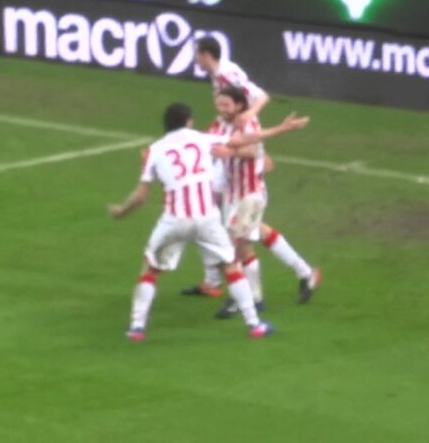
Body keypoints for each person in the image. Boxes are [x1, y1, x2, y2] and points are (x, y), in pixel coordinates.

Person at [108, 103, 311, 341]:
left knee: (151, 271)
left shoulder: (153, 150)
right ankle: (254, 324)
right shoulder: (203, 139)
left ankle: (137, 327)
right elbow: (243, 140)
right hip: (207, 218)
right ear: (189, 122)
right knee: (231, 267)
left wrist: (122, 211)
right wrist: (282, 128)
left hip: (175, 219)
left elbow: (141, 196)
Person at [184, 37, 322, 306]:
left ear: (204, 54)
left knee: (223, 222)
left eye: (196, 54)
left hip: (241, 155)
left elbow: (259, 98)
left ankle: (241, 292)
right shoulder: (218, 80)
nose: (194, 59)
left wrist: (253, 134)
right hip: (235, 150)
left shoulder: (228, 73)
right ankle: (302, 272)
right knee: (241, 225)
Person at [207, 88, 323, 318]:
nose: (221, 109)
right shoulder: (218, 125)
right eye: (219, 104)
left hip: (251, 194)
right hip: (232, 194)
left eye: (226, 105)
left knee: (234, 247)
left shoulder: (249, 122)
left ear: (239, 105)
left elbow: (251, 150)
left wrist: (228, 153)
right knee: (253, 237)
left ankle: (244, 298)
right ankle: (304, 273)